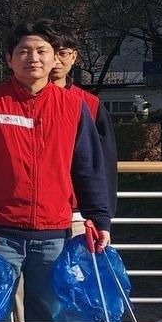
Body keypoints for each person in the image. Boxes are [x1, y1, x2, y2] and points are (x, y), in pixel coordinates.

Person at [0, 21, 112, 322]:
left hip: (53, 234)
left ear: (55, 58)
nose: (34, 58)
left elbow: (88, 167)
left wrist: (100, 219)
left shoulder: (73, 106)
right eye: (24, 51)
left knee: (48, 316)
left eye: (42, 51)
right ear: (9, 59)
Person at [52, 25, 119, 218]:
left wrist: (104, 214)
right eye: (51, 52)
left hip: (79, 209)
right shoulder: (21, 102)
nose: (56, 60)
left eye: (63, 53)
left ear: (74, 57)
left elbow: (105, 162)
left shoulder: (90, 104)